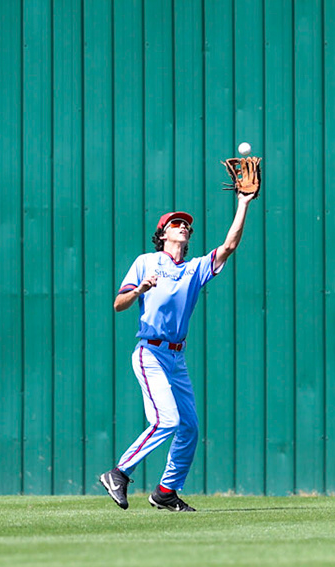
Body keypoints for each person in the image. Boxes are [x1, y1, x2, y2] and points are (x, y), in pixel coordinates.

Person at [96, 187, 256, 511]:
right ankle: (119, 472)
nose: (182, 227)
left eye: (186, 225)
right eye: (175, 224)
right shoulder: (146, 262)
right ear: (162, 234)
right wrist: (139, 288)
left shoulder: (194, 269)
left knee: (190, 428)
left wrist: (243, 203)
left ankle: (166, 491)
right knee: (166, 420)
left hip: (176, 357)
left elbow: (230, 245)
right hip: (150, 352)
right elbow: (118, 304)